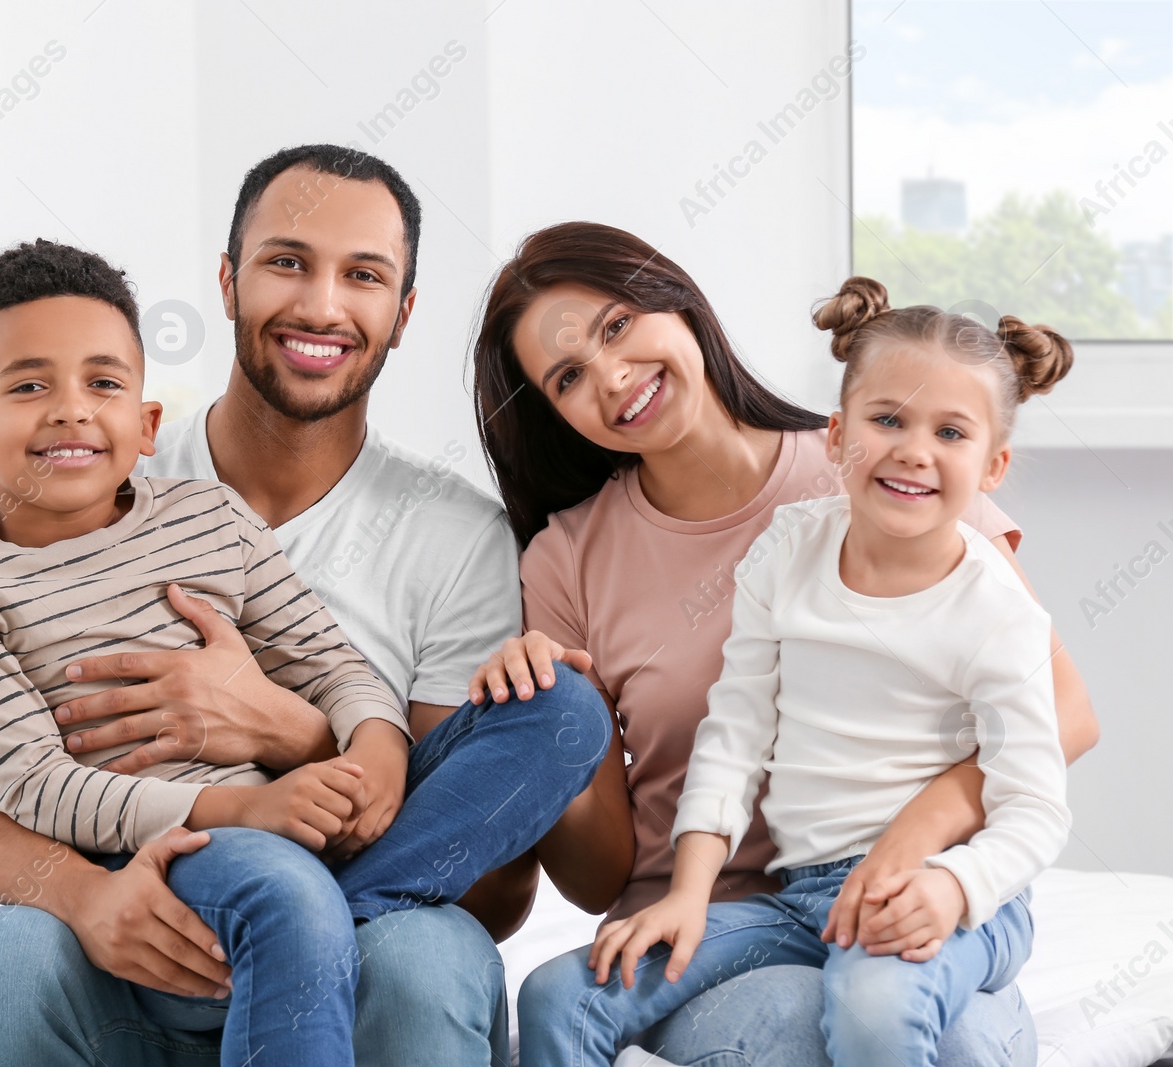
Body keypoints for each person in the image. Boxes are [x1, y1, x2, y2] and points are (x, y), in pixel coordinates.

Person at [0, 146, 622, 1066]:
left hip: (356, 907)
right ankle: (286, 913)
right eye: (287, 262)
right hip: (145, 904)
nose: (320, 305)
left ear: (402, 313)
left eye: (362, 275)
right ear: (229, 282)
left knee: (536, 753)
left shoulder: (445, 533)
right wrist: (84, 895)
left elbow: (492, 878)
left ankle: (307, 920)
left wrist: (303, 737)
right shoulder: (82, 489)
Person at [465, 222, 1099, 1066]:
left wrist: (921, 836)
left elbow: (1068, 719)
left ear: (677, 302)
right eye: (570, 375)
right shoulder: (571, 558)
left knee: (942, 1026)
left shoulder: (899, 465)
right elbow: (599, 870)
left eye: (618, 326)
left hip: (919, 892)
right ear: (556, 413)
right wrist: (551, 719)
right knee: (806, 1013)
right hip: (723, 915)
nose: (613, 377)